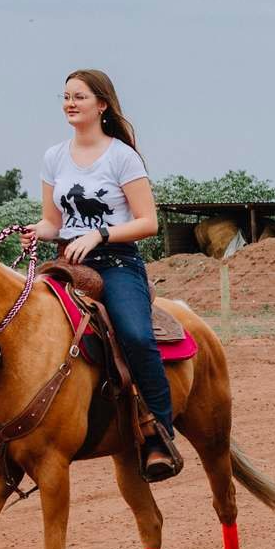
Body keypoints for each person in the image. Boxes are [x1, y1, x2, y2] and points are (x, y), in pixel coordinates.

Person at [22, 68, 179, 482]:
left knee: (136, 335)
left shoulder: (122, 157)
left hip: (116, 262)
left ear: (102, 105)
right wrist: (37, 231)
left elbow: (148, 222)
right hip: (66, 262)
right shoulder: (54, 157)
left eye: (80, 97)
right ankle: (12, 434)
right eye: (66, 97)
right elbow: (53, 222)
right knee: (21, 325)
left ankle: (159, 433)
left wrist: (101, 233)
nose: (70, 104)